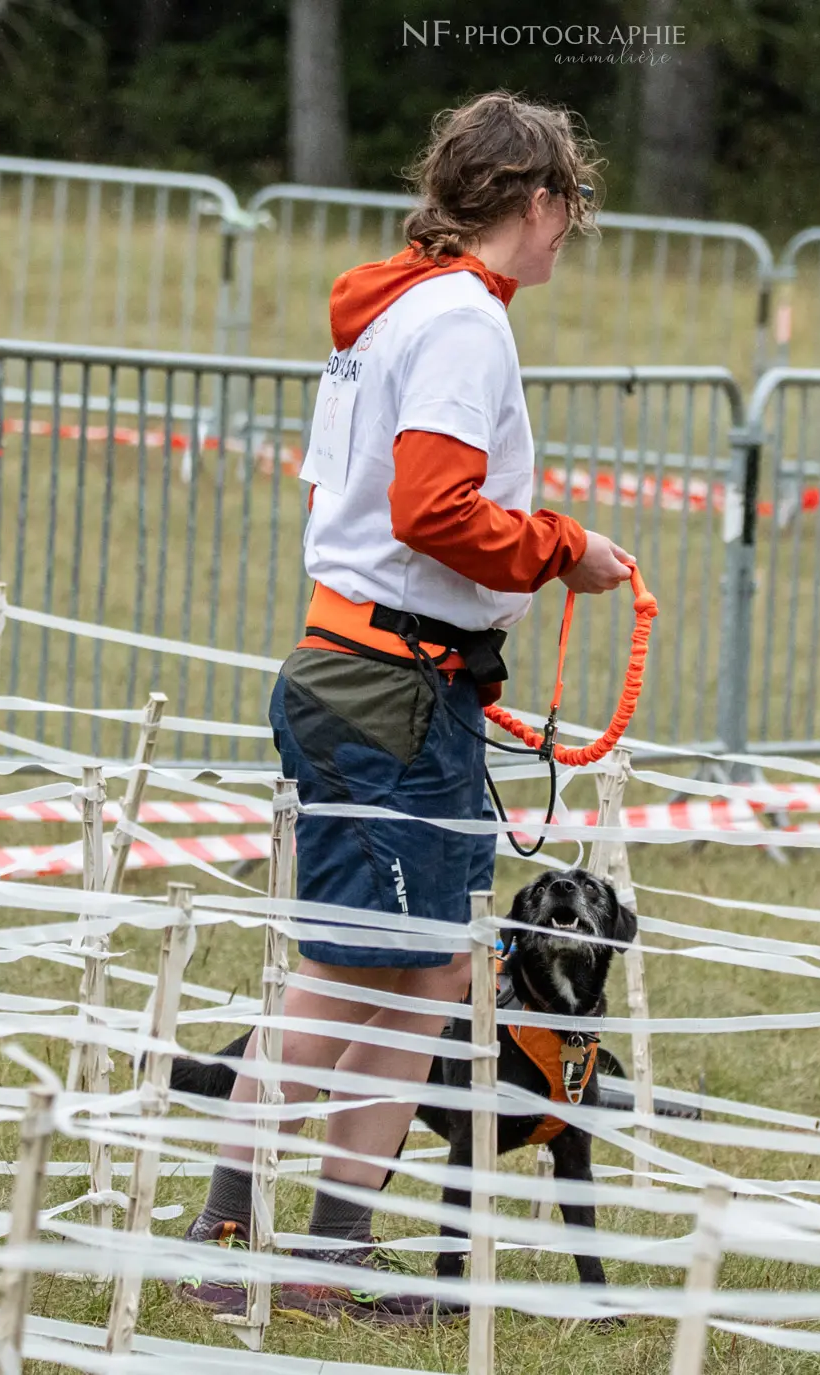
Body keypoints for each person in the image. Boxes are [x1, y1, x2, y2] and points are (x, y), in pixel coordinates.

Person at [174, 92, 636, 1326]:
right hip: (386, 687)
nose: (565, 237)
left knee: (422, 977)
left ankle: (335, 1252)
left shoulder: (400, 310)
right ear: (535, 201)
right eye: (568, 211)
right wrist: (558, 547)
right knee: (340, 981)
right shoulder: (459, 325)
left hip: (396, 681)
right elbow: (432, 508)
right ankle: (226, 1231)